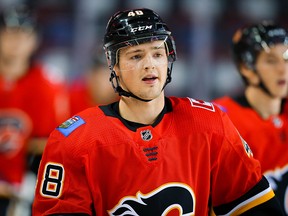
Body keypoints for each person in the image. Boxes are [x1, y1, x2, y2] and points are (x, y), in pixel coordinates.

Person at [32, 8, 283, 215]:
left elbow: (256, 208)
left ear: (168, 59)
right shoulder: (74, 141)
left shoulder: (210, 123)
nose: (149, 64)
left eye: (157, 53)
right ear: (114, 66)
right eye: (136, 56)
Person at [0, 4, 70, 215]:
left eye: (23, 34)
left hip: (21, 192)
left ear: (34, 40)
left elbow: (49, 146)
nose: (16, 41)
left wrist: (23, 189)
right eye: (10, 33)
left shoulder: (47, 85)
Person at [213, 21, 288, 215]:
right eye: (271, 60)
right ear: (247, 68)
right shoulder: (219, 119)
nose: (283, 69)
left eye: (286, 58)